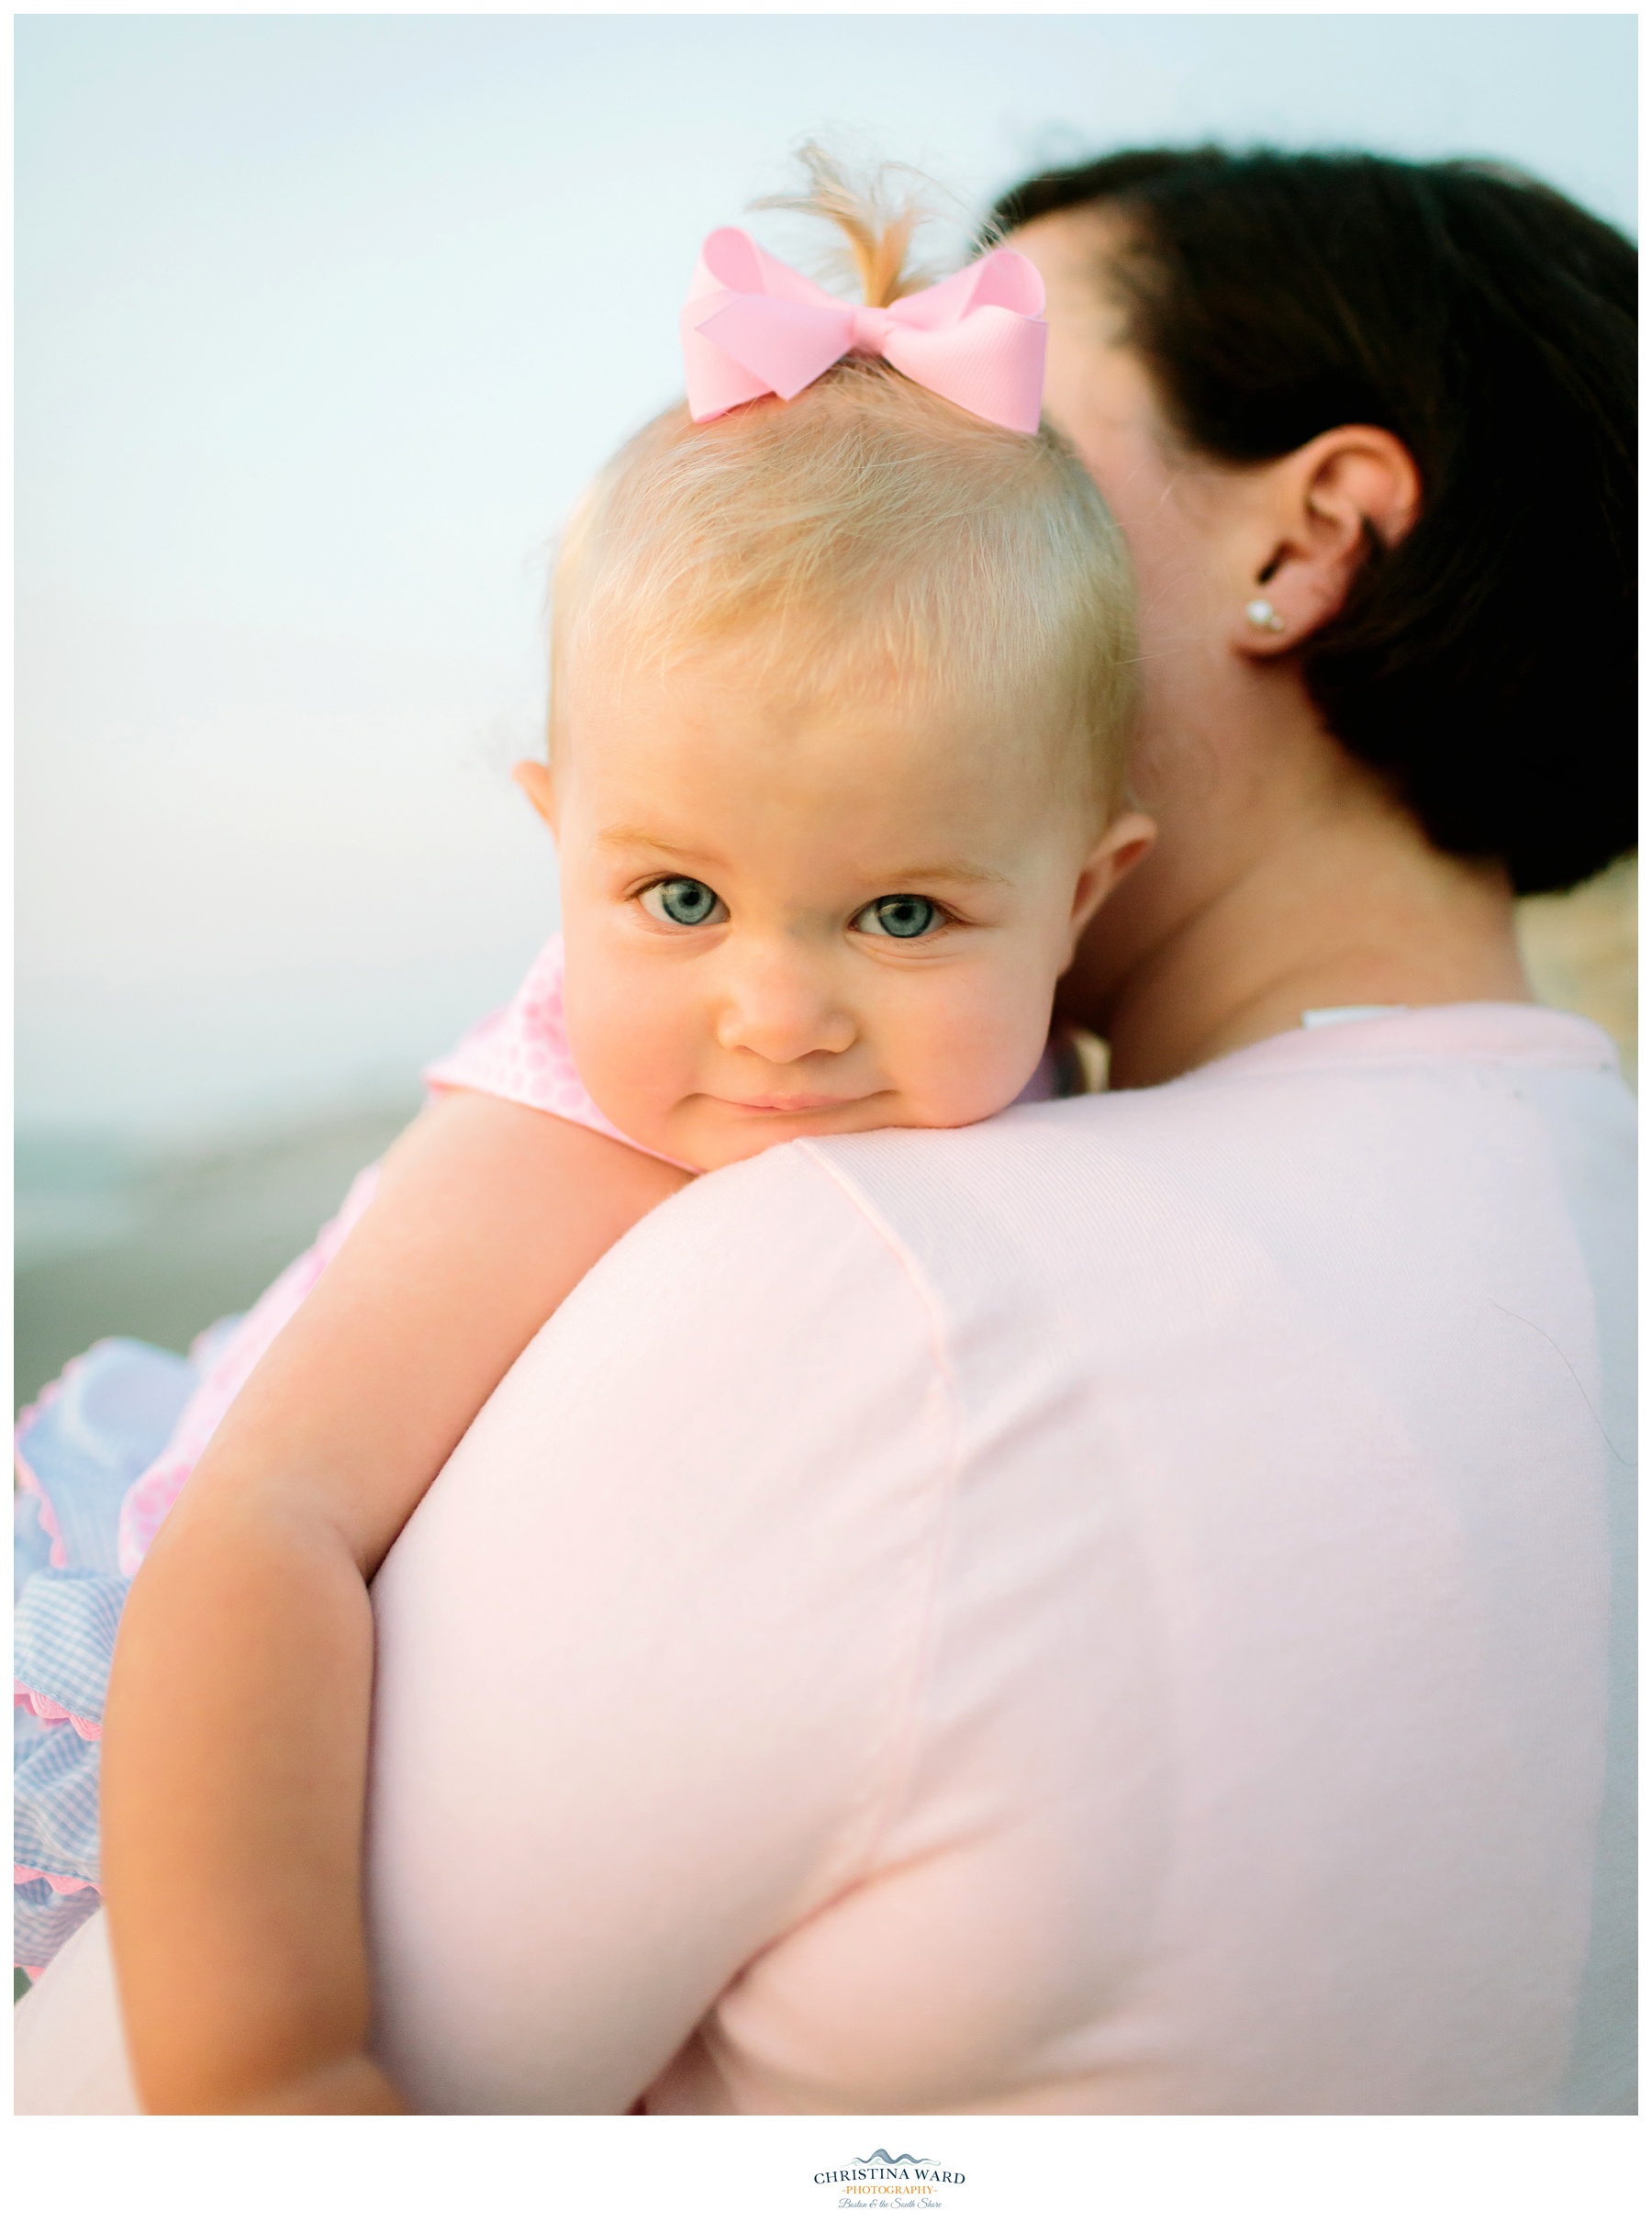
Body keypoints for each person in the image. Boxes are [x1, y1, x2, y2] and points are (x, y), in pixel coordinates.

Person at [18, 145, 1635, 2116]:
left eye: (1005, 403)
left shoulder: (890, 1272)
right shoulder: (1556, 1225)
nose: (879, 468)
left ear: (1311, 541)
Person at [16, 162, 1149, 2085]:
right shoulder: (569, 1121)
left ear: (1087, 903)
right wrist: (268, 2072)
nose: (773, 1012)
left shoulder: (1074, 1120)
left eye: (901, 913)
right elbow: (263, 1528)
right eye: (678, 900)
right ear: (560, 841)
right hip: (144, 1691)